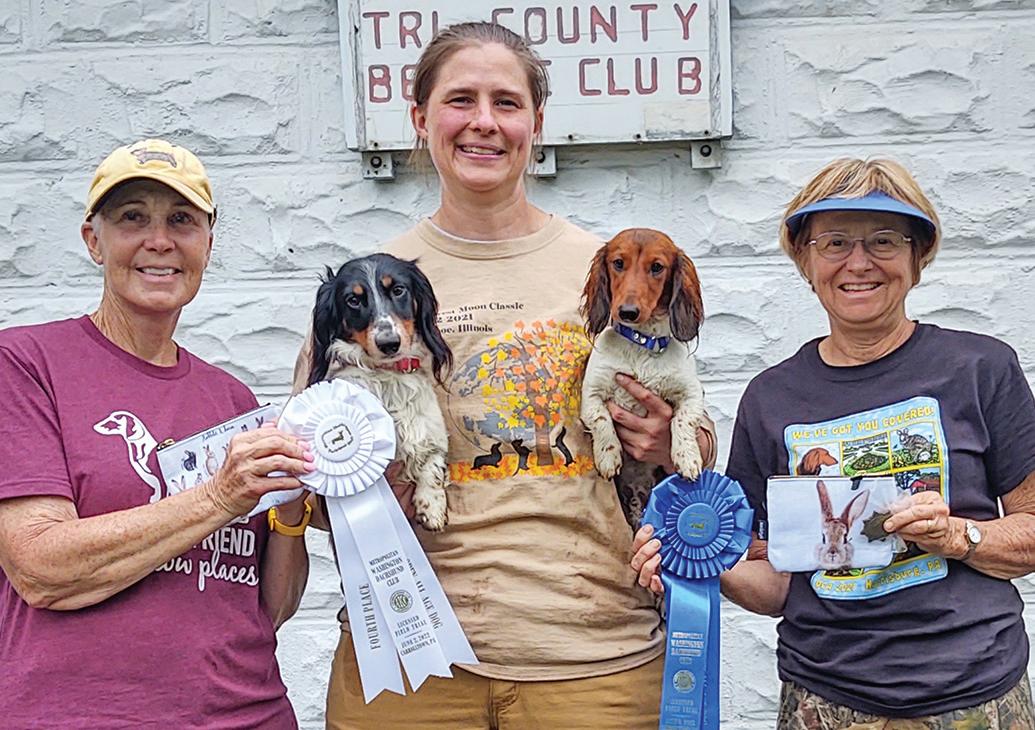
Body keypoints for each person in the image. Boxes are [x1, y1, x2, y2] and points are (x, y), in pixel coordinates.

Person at [292, 21, 716, 729]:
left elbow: (694, 441)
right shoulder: (366, 292)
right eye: (461, 100)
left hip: (595, 662)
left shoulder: (608, 272)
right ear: (420, 118)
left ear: (537, 123)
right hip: (406, 661)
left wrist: (672, 438)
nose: (483, 122)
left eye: (507, 102)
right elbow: (313, 467)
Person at [632, 158, 1035, 728]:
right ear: (806, 260)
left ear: (918, 256)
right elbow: (776, 581)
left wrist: (960, 536)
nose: (859, 262)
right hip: (822, 703)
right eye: (835, 242)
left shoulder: (981, 368)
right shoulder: (771, 398)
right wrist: (696, 560)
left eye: (884, 240)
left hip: (976, 696)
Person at [0, 139, 315, 728]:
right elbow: (42, 570)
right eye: (132, 217)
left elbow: (270, 607)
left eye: (181, 221)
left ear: (208, 244)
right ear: (93, 240)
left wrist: (292, 504)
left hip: (250, 715)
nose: (160, 240)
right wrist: (219, 497)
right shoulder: (24, 364)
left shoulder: (232, 399)